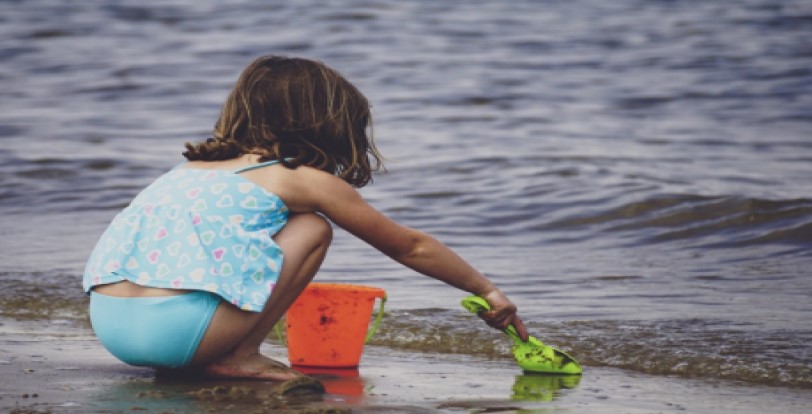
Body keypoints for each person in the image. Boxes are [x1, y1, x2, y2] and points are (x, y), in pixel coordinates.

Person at [83, 55, 528, 381]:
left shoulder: (187, 171)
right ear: (324, 124)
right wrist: (485, 289)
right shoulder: (302, 179)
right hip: (175, 332)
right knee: (313, 227)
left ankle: (205, 351)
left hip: (112, 326)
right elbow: (410, 245)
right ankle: (240, 354)